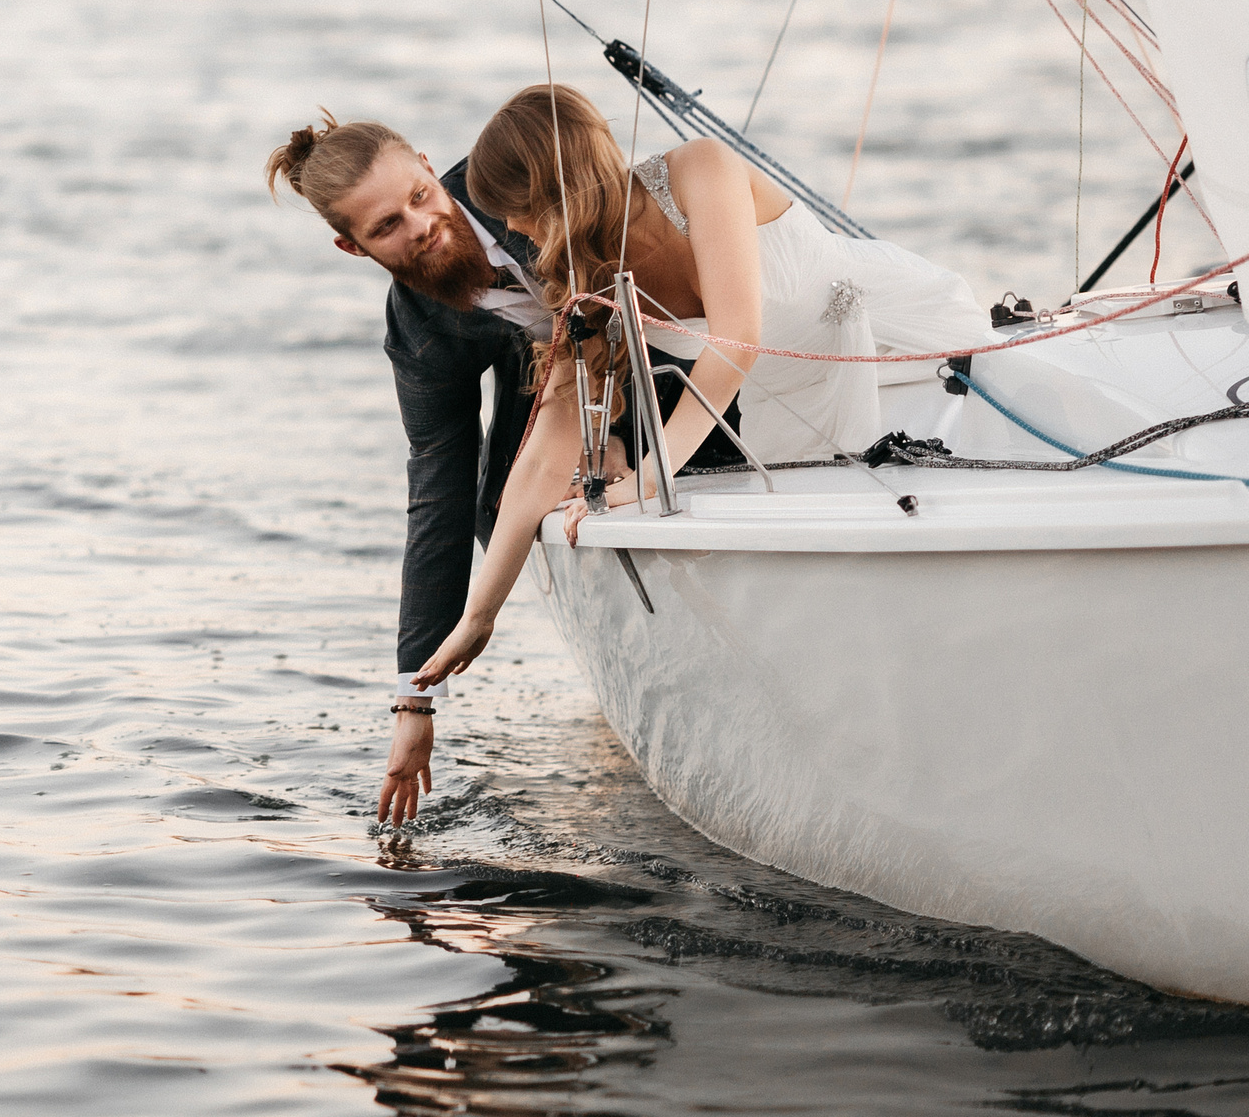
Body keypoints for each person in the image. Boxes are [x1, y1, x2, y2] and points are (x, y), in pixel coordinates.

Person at [402, 84, 992, 741]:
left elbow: (737, 335)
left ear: (550, 195)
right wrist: (482, 612)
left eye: (513, 211)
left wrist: (649, 481)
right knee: (827, 522)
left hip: (894, 326)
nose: (510, 231)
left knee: (1012, 398)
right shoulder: (582, 278)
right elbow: (548, 445)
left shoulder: (698, 171)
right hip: (791, 400)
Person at [264, 112, 738, 834]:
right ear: (350, 246)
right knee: (490, 503)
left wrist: (613, 437)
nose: (419, 225)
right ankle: (645, 642)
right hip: (554, 377)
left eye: (421, 195)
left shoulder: (517, 190)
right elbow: (436, 494)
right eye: (386, 225)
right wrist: (413, 701)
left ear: (429, 164)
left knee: (595, 437)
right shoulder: (420, 329)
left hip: (671, 339)